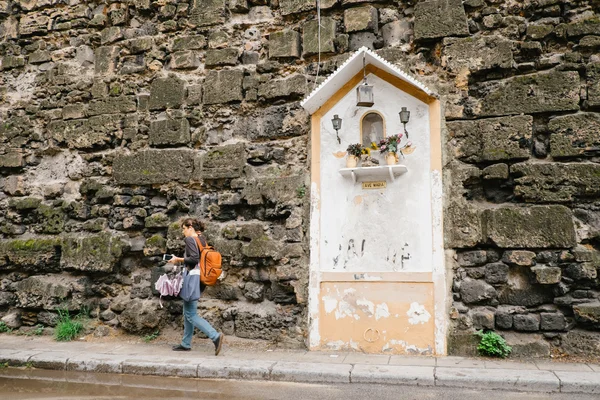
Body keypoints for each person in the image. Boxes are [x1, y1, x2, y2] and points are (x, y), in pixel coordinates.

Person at [170, 218, 224, 355]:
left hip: (191, 279)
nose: (183, 232)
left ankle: (215, 336)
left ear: (190, 227)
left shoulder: (190, 240)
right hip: (200, 279)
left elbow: (194, 259)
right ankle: (185, 343)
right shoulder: (202, 239)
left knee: (190, 314)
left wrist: (178, 259)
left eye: (184, 228)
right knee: (187, 311)